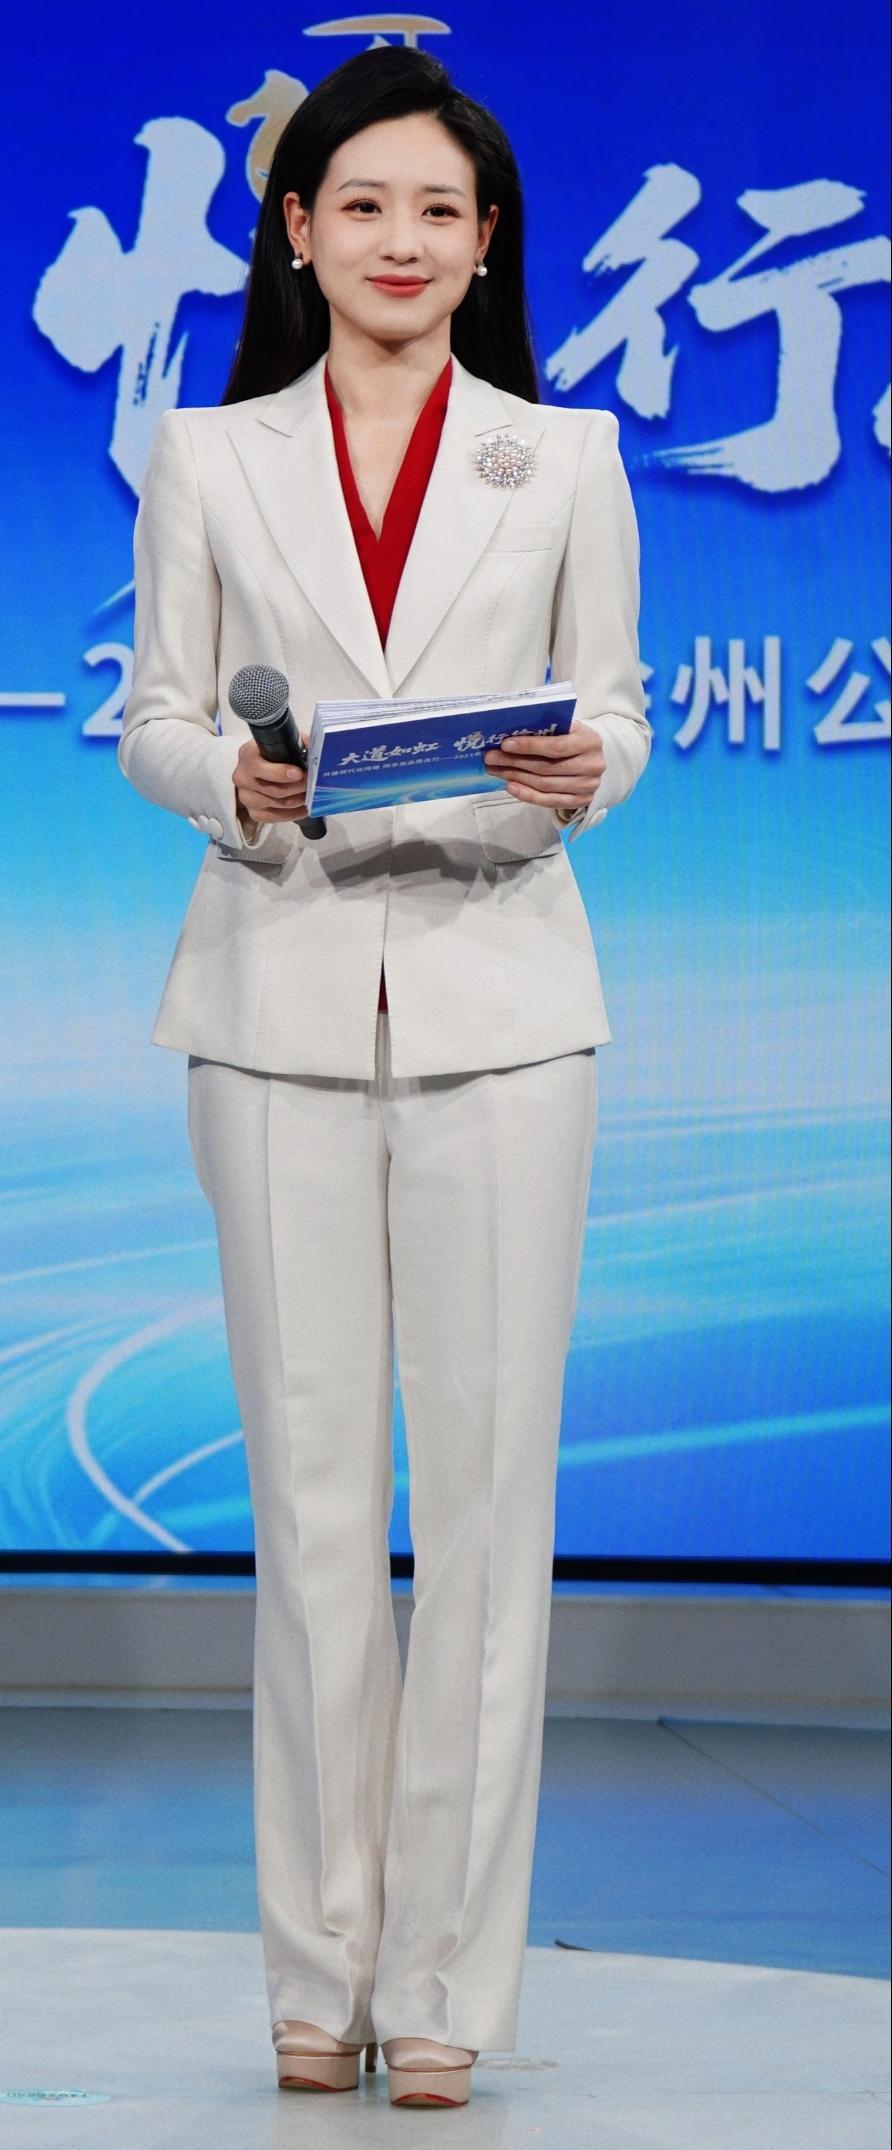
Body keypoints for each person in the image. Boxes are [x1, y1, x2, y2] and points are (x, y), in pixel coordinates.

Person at [118, 42, 652, 2111]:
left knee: (491, 1505)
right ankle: (314, 1968)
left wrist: (577, 769)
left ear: (486, 241)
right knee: (313, 1501)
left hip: (504, 999)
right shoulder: (209, 453)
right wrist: (233, 784)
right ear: (297, 229)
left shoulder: (565, 455)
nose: (401, 241)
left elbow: (616, 712)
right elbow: (158, 716)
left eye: (439, 209)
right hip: (272, 994)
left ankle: (441, 1982)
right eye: (363, 205)